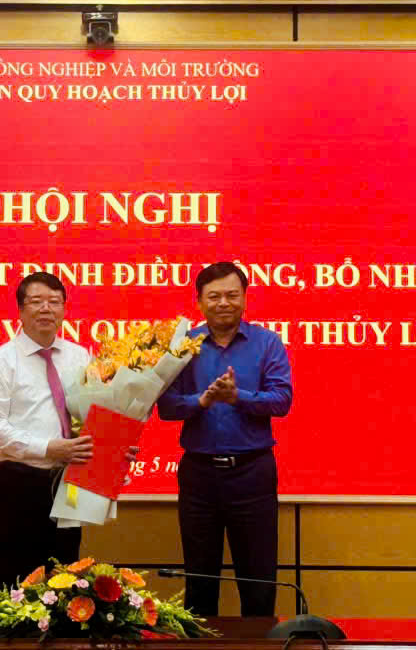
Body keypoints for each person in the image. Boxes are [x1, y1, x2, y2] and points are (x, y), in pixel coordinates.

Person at [156, 261, 293, 618]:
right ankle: (201, 644)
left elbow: (282, 401)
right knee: (200, 577)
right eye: (214, 296)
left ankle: (259, 641)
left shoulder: (267, 343)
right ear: (199, 302)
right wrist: (201, 401)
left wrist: (238, 397)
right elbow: (166, 407)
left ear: (245, 298)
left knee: (258, 576)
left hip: (252, 472)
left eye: (232, 295)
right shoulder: (183, 346)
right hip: (199, 474)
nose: (223, 303)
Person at [0, 271, 93, 588]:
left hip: (69, 482)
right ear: (20, 310)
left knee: (68, 577)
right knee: (19, 580)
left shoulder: (80, 356)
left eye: (54, 301)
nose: (46, 309)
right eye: (37, 301)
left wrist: (113, 446)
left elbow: (92, 415)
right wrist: (47, 447)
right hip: (21, 482)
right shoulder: (0, 362)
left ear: (64, 309)